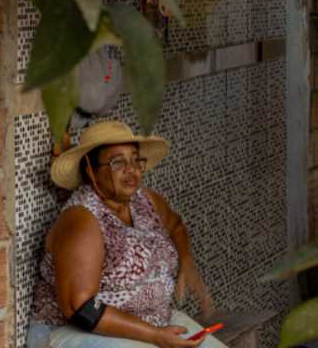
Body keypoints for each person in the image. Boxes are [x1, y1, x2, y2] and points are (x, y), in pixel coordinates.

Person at [28, 121, 222, 348]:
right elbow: (81, 308)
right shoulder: (82, 220)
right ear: (90, 170)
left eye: (135, 160)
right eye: (118, 162)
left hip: (154, 323)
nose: (131, 169)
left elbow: (176, 225)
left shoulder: (146, 200)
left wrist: (186, 261)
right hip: (79, 332)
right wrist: (155, 336)